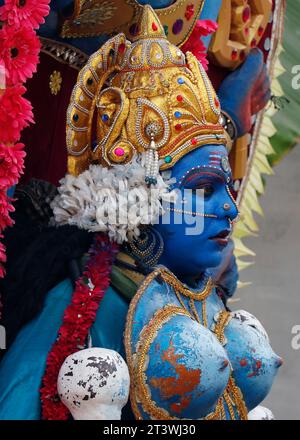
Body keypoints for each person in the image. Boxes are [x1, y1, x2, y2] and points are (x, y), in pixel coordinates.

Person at [0, 6, 281, 420]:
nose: (230, 206)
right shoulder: (82, 302)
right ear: (138, 200)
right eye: (204, 190)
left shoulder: (198, 293)